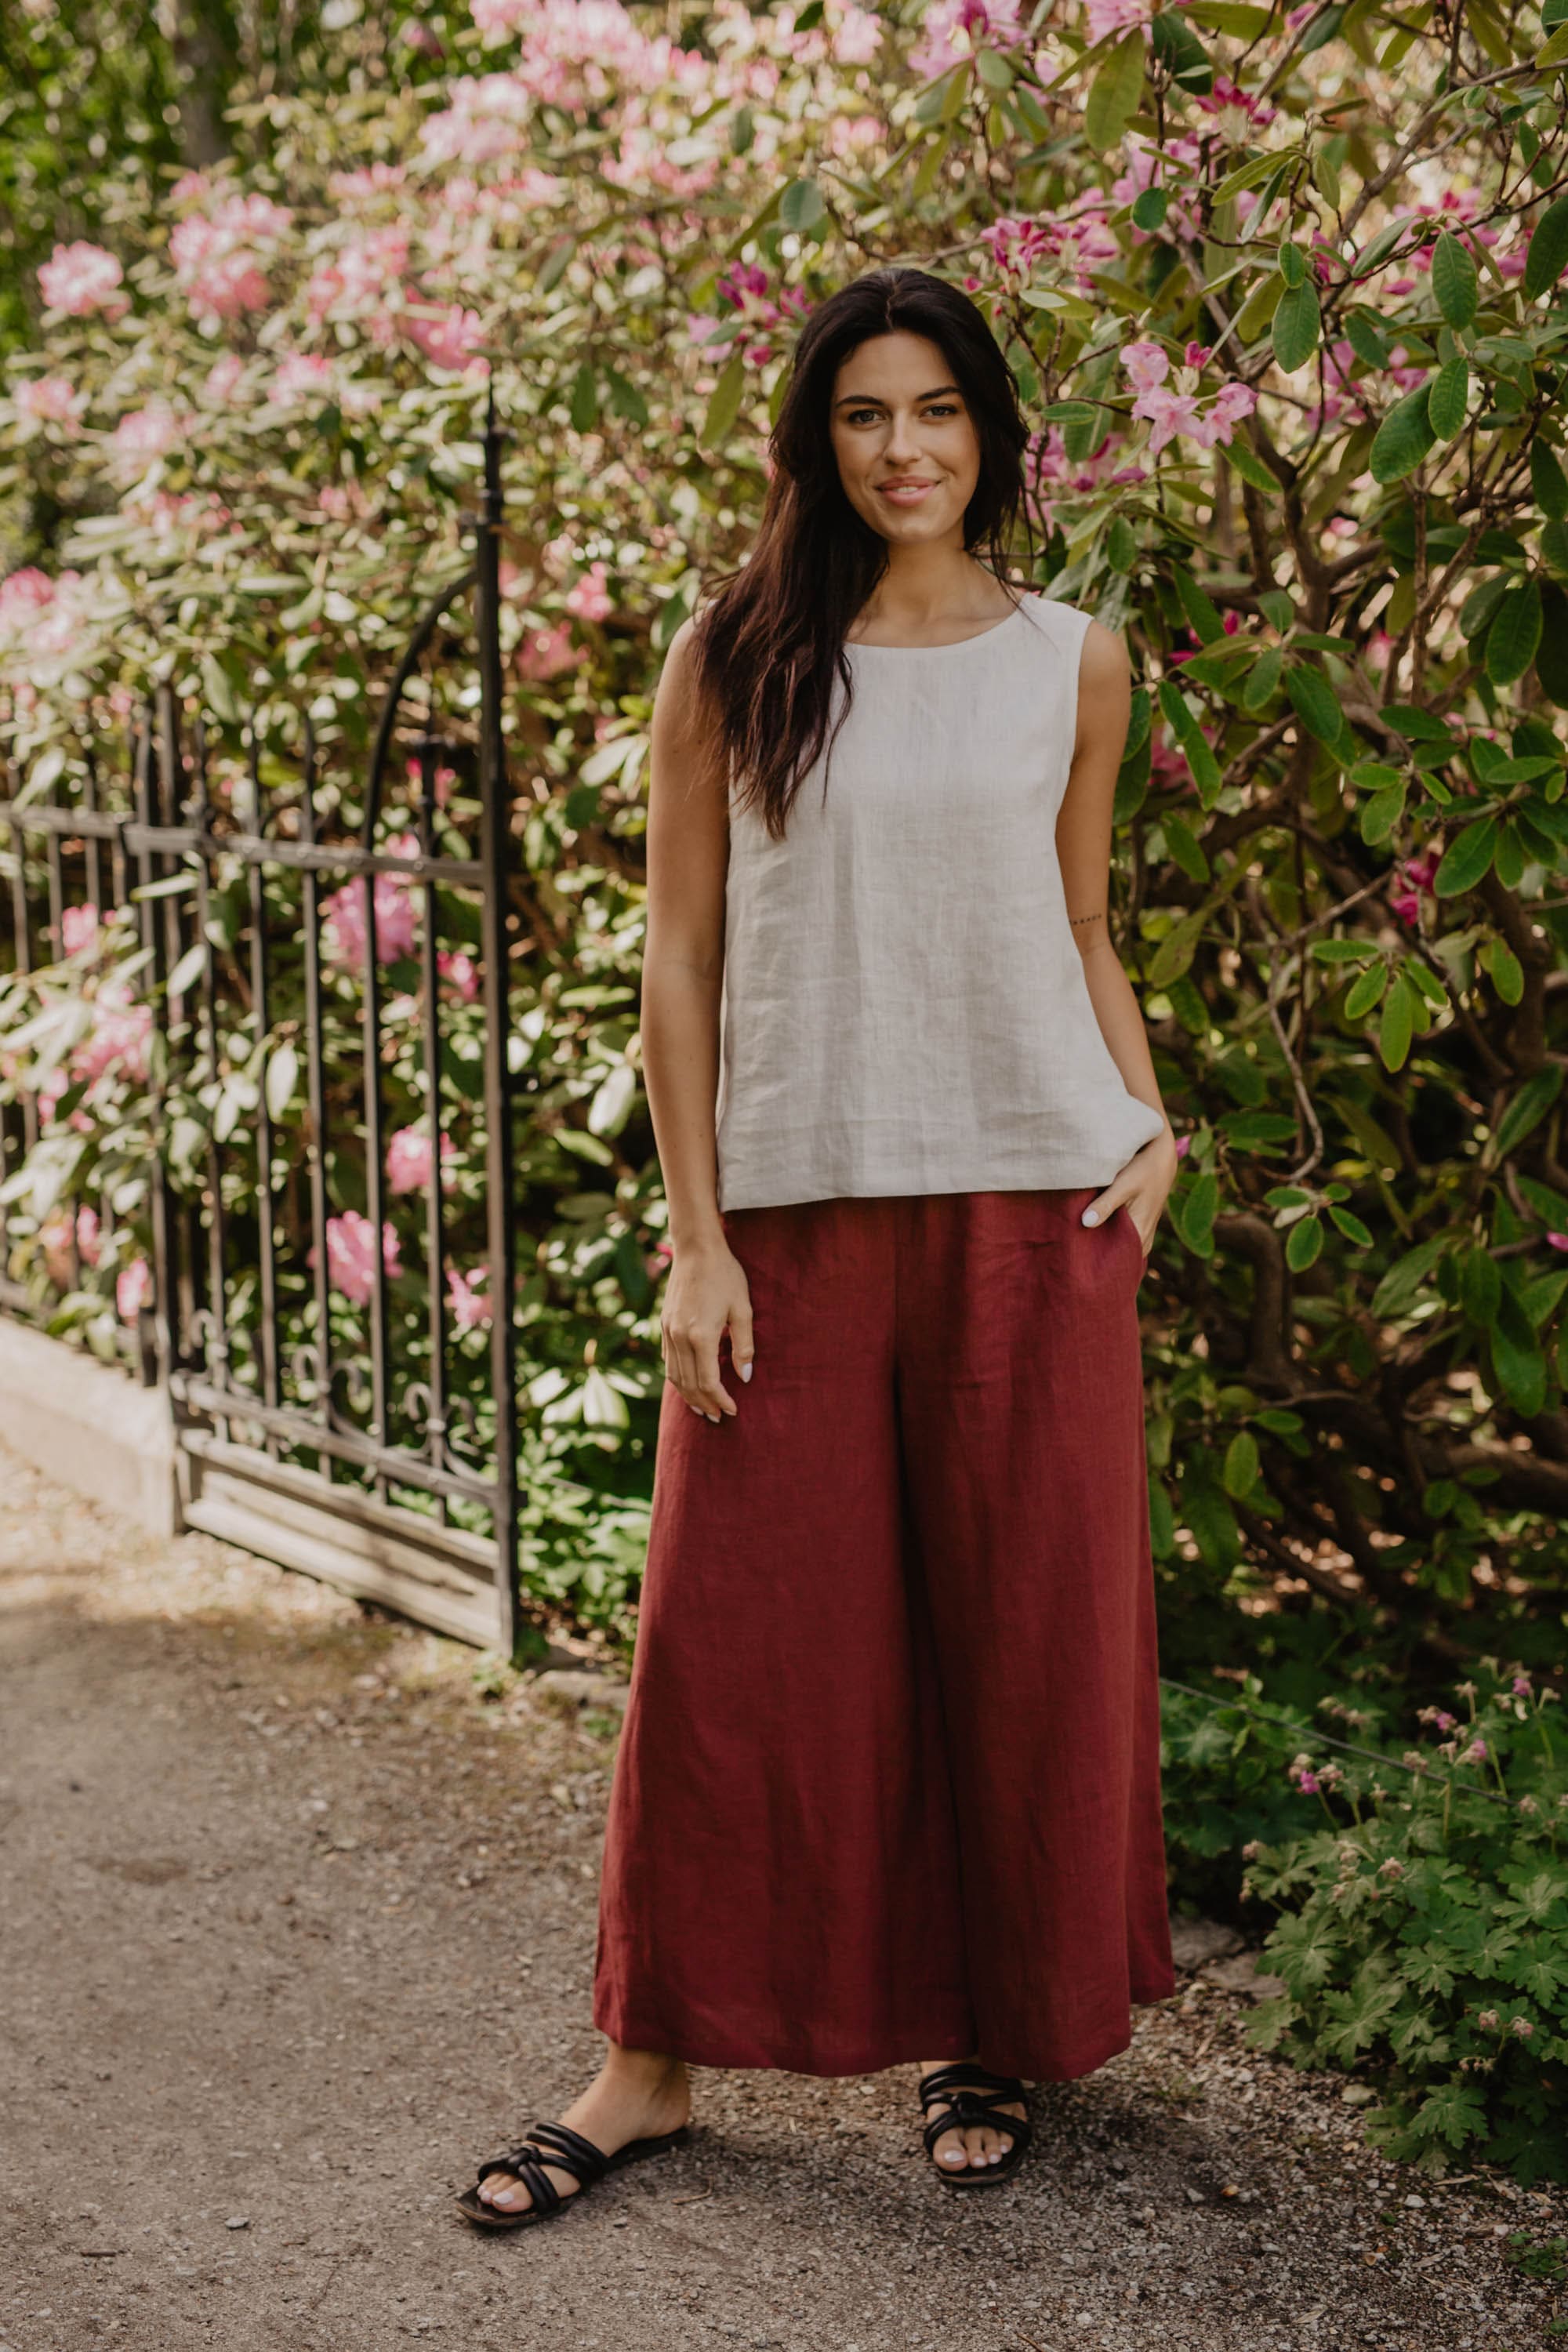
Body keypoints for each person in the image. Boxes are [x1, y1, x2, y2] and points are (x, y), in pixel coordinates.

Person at [456, 263, 1180, 2231]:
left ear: (990, 429)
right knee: (735, 1640)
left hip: (1034, 1205)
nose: (903, 449)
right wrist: (697, 1241)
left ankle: (987, 2022)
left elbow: (1082, 923)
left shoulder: (1074, 657)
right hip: (792, 1209)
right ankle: (647, 2066)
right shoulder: (742, 654)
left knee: (1011, 1632)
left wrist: (1152, 1121)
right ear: (816, 437)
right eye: (863, 414)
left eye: (936, 409)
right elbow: (676, 961)